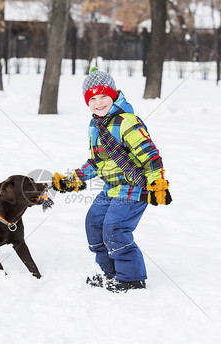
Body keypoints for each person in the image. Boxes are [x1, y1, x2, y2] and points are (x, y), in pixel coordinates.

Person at [52, 67, 171, 293]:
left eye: (104, 96)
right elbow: (98, 161)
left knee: (114, 228)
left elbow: (151, 155)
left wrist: (158, 184)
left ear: (114, 95)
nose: (98, 102)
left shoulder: (127, 122)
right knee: (94, 225)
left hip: (134, 189)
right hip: (111, 188)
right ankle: (110, 274)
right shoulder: (95, 126)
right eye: (93, 98)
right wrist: (74, 179)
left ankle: (132, 279)